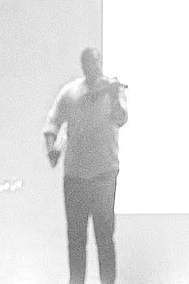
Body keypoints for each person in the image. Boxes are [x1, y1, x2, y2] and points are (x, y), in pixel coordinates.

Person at [43, 48, 129, 284]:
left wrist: (112, 94)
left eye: (95, 62)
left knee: (105, 237)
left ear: (100, 62)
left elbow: (121, 119)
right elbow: (52, 122)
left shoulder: (114, 89)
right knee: (76, 239)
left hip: (104, 174)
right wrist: (52, 147)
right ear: (82, 66)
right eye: (87, 63)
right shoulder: (70, 92)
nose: (92, 67)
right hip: (76, 176)